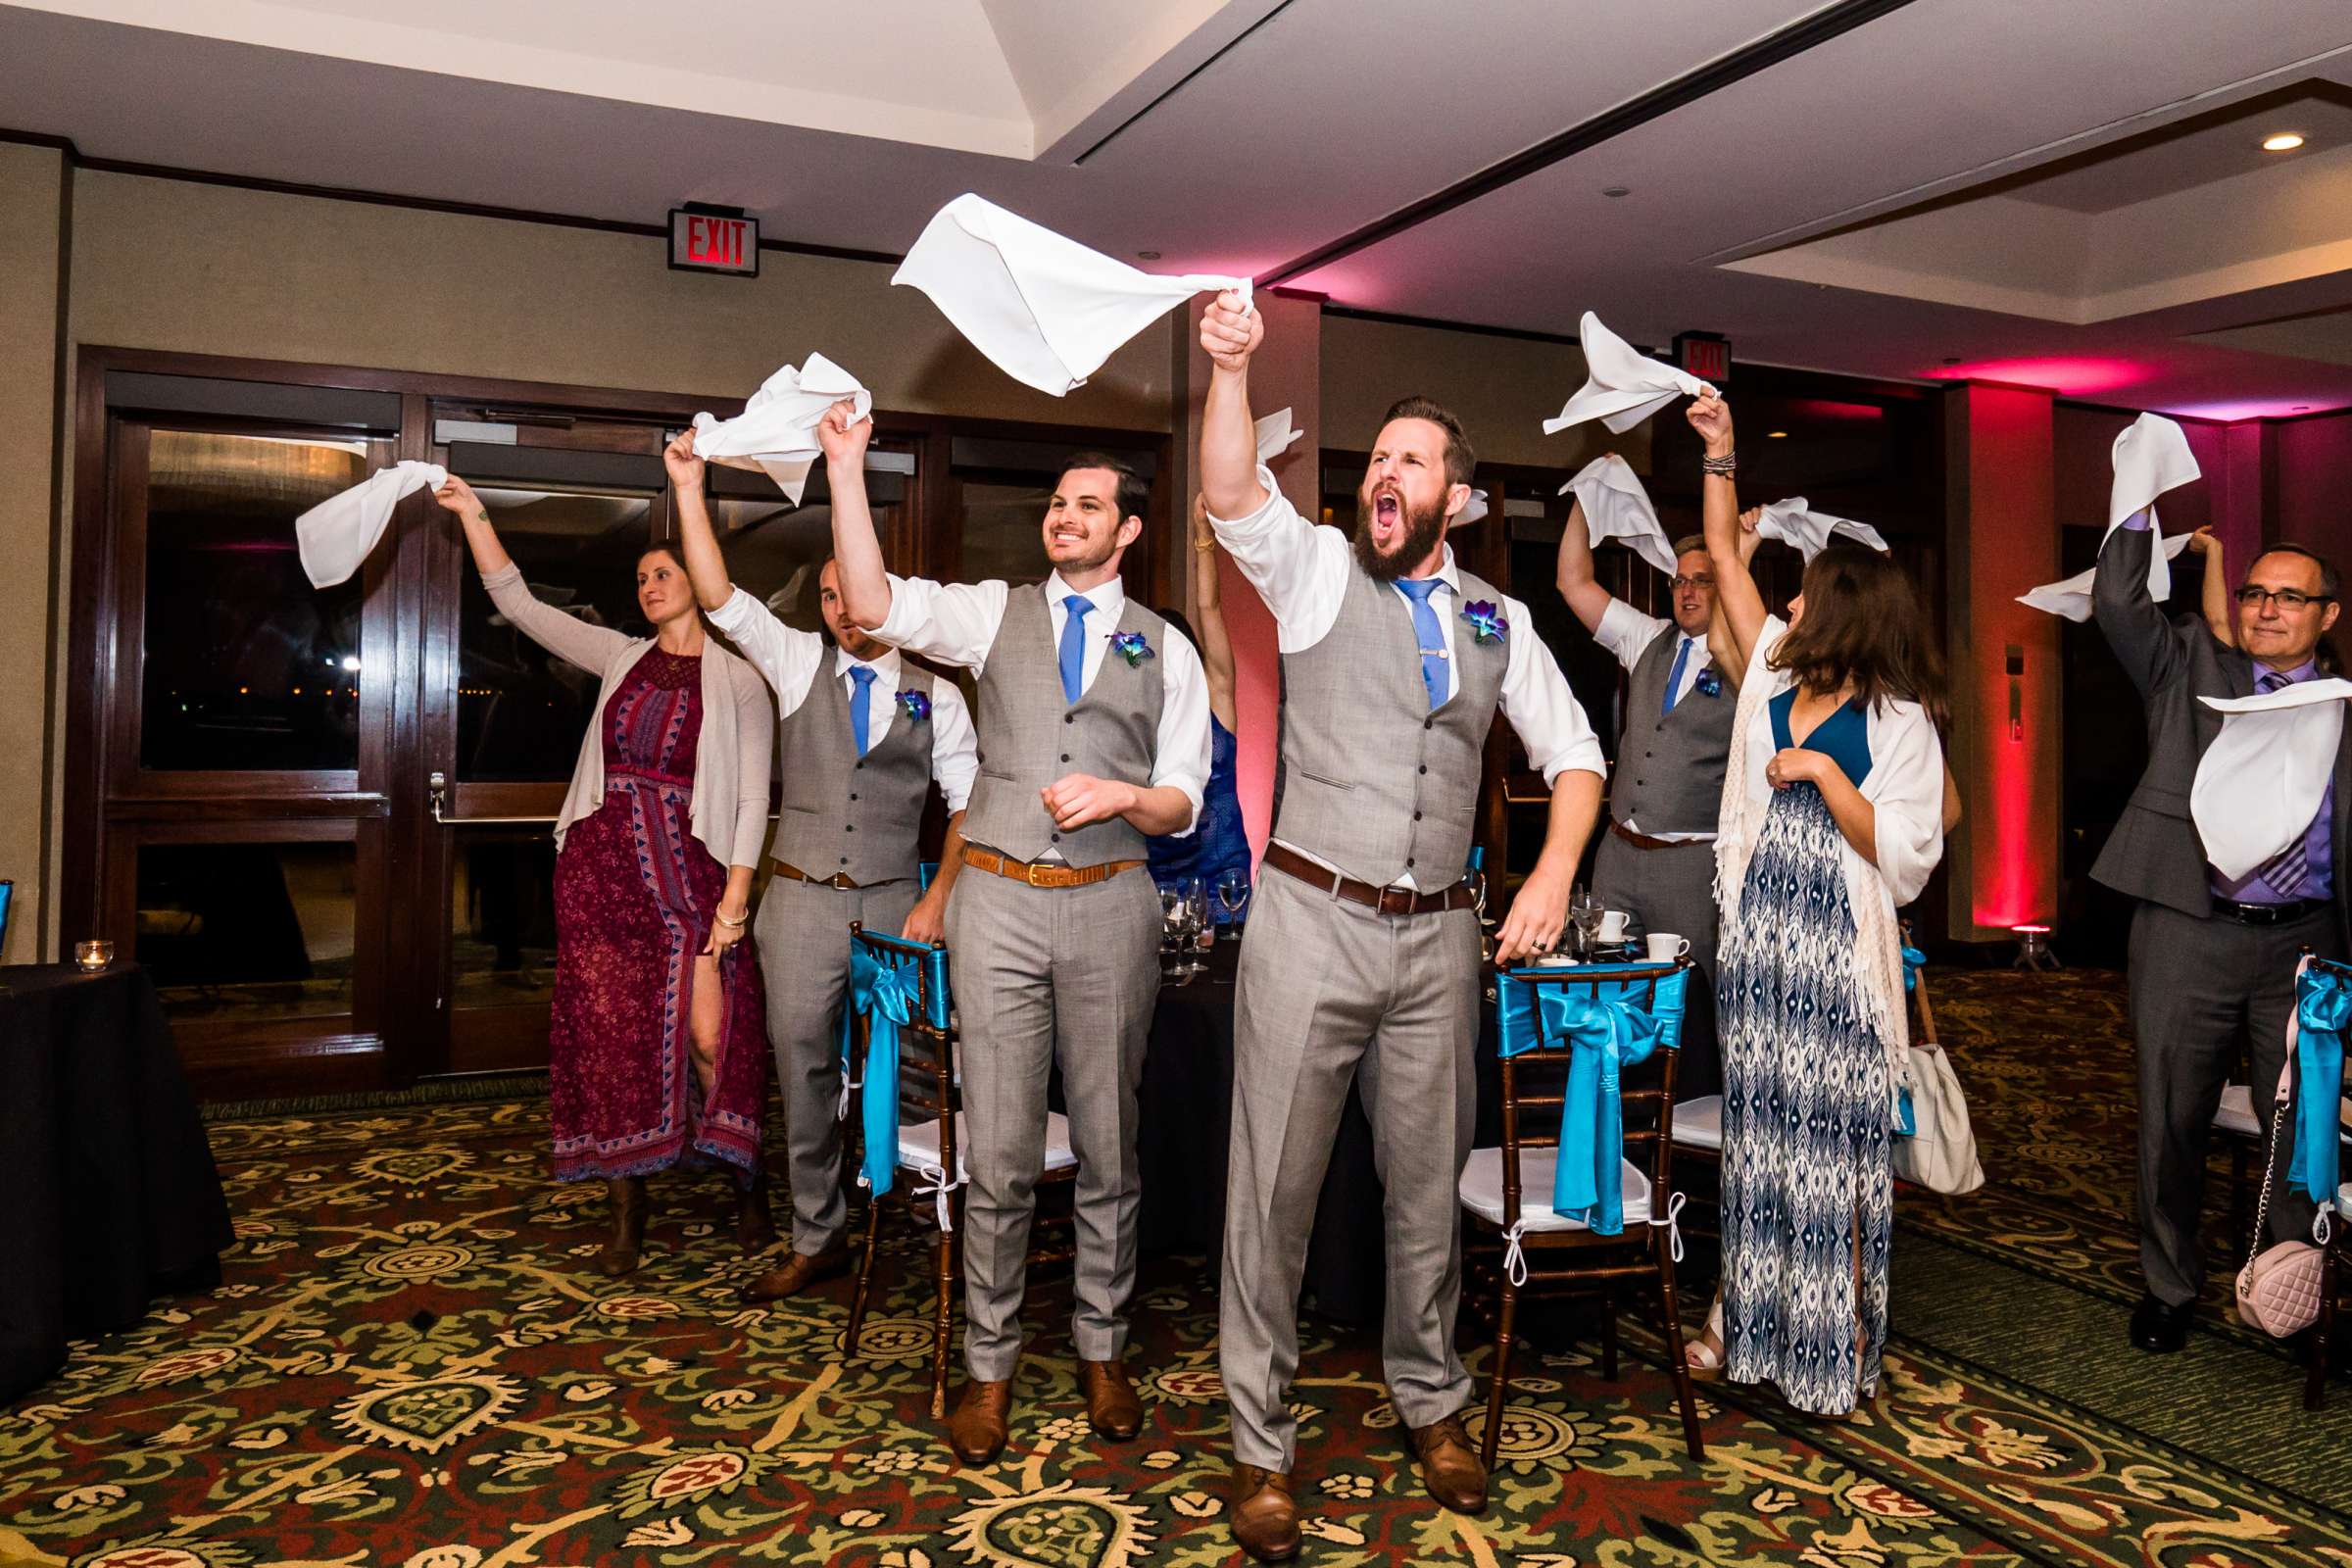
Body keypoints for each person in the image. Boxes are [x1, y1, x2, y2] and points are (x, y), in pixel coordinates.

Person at [1198, 294, 1607, 1561]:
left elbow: (1579, 754)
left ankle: (1431, 1397)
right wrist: (1230, 368)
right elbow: (1228, 494)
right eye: (1375, 459)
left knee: (1426, 1188)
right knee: (1271, 1189)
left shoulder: (1501, 621)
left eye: (1408, 462)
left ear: (1458, 499)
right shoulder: (1320, 570)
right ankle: (1260, 1441)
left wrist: (1549, 876)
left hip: (1441, 943)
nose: (1383, 473)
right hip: (1312, 918)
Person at [824, 409, 1211, 1461]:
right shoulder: (997, 615)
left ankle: (1101, 1348)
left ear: (1128, 529)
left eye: (1087, 505)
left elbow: (1185, 798)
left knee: (1108, 1143)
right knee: (994, 1151)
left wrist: (1124, 791)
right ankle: (987, 1369)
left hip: (1113, 905)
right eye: (1056, 503)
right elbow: (871, 600)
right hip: (994, 900)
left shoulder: (1167, 645)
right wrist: (848, 470)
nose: (1063, 518)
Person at [663, 424, 980, 1302]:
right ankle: (819, 1234)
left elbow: (967, 804)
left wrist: (940, 897)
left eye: (857, 594)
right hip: (799, 906)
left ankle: (918, 1212)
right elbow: (723, 599)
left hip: (895, 910)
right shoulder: (800, 662)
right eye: (833, 596)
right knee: (802, 1071)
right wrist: (690, 490)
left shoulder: (938, 694)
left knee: (913, 1068)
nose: (846, 611)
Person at [433, 476, 775, 1276]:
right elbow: (519, 606)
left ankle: (747, 1185)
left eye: (664, 573)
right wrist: (474, 515)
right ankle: (627, 1207)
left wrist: (733, 903)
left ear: (699, 578)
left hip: (694, 878)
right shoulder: (621, 656)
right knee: (611, 1037)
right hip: (603, 875)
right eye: (641, 579)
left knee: (710, 1037)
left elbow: (755, 794)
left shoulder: (741, 679)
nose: (649, 588)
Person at [1689, 390, 1949, 1418]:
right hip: (1761, 949)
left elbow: (1915, 856)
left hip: (1840, 960)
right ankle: (1753, 1337)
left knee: (1832, 1155)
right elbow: (1722, 546)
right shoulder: (1768, 675)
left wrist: (1832, 783)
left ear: (1845, 609)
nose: (1786, 606)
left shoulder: (1898, 722)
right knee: (1761, 1146)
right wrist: (1723, 449)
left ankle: (1828, 1356)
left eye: (1804, 596)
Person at [2092, 513, 2346, 1353]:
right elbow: (2121, 605)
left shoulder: (2344, 709)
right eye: (2255, 593)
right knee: (2171, 1118)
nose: (2267, 609)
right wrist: (2137, 506)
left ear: (2327, 616)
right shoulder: (2190, 667)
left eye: (2289, 597)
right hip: (2188, 931)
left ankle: (2287, 1284)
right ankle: (2170, 1285)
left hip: (2305, 949)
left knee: (2302, 1125)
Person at [1556, 509, 1733, 1097]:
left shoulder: (1751, 661)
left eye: (1701, 580)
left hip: (1690, 864)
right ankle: (1612, 1111)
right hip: (1618, 856)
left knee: (1697, 1002)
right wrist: (1585, 501)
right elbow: (1574, 583)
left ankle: (1698, 1120)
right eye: (1679, 580)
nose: (1686, 591)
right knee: (1603, 989)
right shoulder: (1648, 639)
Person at [1148, 497, 1254, 918]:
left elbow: (1209, 608)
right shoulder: (1137, 716)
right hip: (1154, 872)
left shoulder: (1215, 695)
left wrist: (1203, 538)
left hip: (1223, 874)